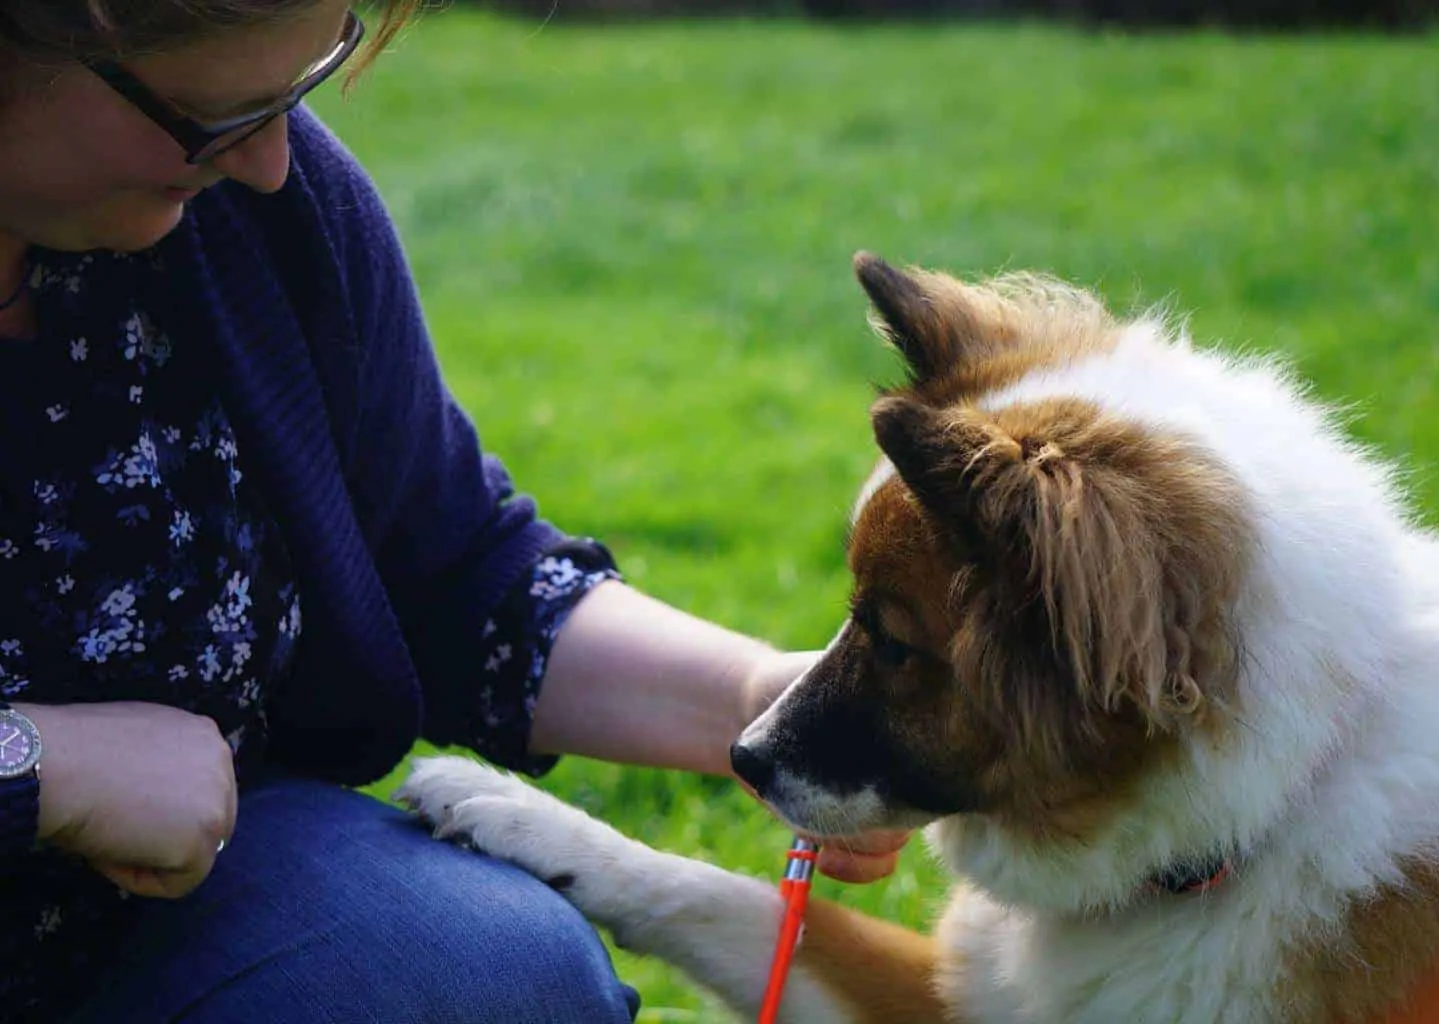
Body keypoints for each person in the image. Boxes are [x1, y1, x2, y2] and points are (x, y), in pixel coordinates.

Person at [0, 2, 908, 1020]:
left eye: (297, 89)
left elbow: (452, 565)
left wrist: (753, 695)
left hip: (174, 903)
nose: (268, 161)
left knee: (491, 972)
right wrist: (38, 764)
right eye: (209, 119)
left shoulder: (257, 213)